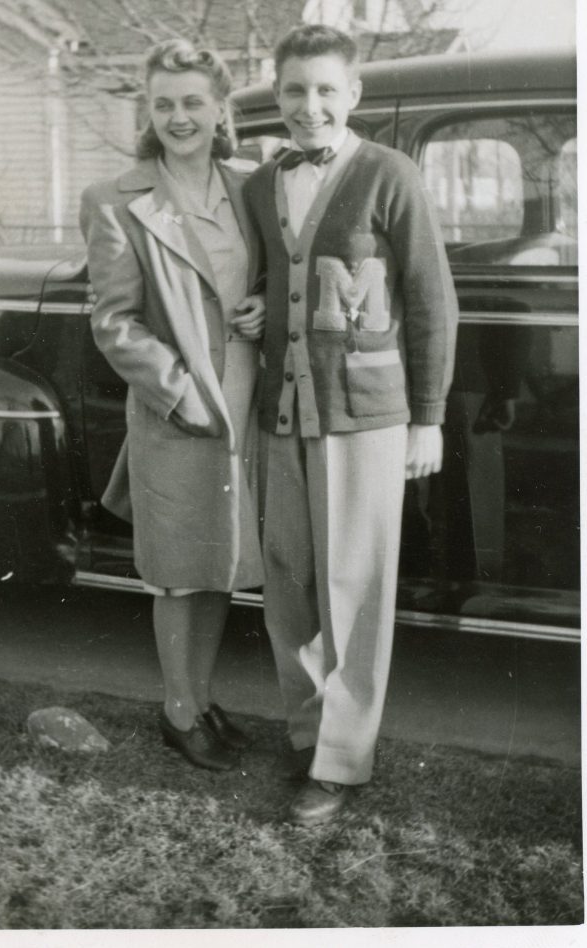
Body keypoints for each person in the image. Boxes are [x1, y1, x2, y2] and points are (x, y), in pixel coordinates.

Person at [244, 24, 458, 825]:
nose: (310, 106)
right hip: (283, 412)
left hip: (365, 415)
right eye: (295, 90)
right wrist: (264, 303)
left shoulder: (387, 174)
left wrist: (429, 418)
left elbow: (431, 299)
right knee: (289, 581)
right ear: (277, 95)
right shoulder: (263, 184)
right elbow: (276, 279)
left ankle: (340, 760)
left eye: (326, 89)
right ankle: (306, 732)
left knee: (354, 589)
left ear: (353, 95)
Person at [80, 39, 265, 772]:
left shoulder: (254, 184)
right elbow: (112, 320)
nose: (179, 117)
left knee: (219, 559)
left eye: (193, 101)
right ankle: (178, 710)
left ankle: (203, 696)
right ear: (148, 113)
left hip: (249, 399)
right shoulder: (117, 199)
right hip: (180, 406)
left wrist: (262, 307)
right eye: (164, 104)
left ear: (220, 108)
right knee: (179, 568)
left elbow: (272, 277)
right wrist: (179, 390)